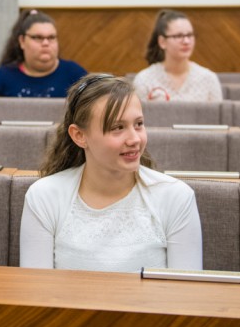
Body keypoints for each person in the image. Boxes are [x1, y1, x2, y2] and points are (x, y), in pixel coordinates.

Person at [20, 73, 202, 272]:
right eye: (117, 127)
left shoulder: (176, 196)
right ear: (79, 136)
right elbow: (37, 287)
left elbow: (185, 288)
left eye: (139, 124)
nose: (135, 139)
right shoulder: (44, 196)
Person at [0, 9, 87, 97]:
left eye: (51, 37)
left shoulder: (75, 74)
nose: (46, 43)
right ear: (22, 41)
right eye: (38, 37)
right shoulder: (3, 77)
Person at [133, 9, 222, 103]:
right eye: (179, 36)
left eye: (189, 35)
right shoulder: (144, 80)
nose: (186, 41)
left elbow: (218, 112)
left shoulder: (209, 79)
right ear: (162, 42)